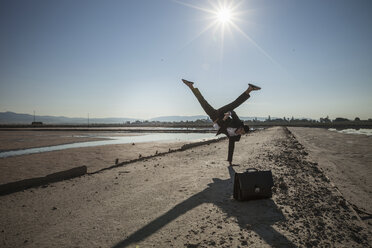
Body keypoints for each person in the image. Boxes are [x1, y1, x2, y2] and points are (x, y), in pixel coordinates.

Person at [182, 79, 261, 165]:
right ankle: (249, 89)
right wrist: (228, 114)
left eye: (241, 134)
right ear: (240, 127)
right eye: (240, 131)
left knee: (202, 102)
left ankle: (191, 86)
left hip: (214, 117)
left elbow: (231, 147)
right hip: (223, 113)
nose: (239, 133)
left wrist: (230, 162)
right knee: (234, 104)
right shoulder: (238, 123)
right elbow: (233, 113)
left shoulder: (235, 137)